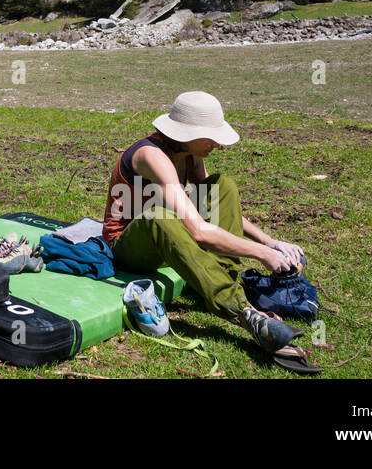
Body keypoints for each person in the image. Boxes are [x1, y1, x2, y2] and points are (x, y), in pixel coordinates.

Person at [103, 90, 312, 368]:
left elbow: (208, 208)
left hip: (171, 237)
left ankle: (217, 277)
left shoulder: (190, 154)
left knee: (221, 185)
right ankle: (243, 310)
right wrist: (261, 253)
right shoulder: (151, 156)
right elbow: (200, 231)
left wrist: (270, 241)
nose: (217, 144)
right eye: (212, 136)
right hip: (130, 248)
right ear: (188, 133)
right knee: (158, 216)